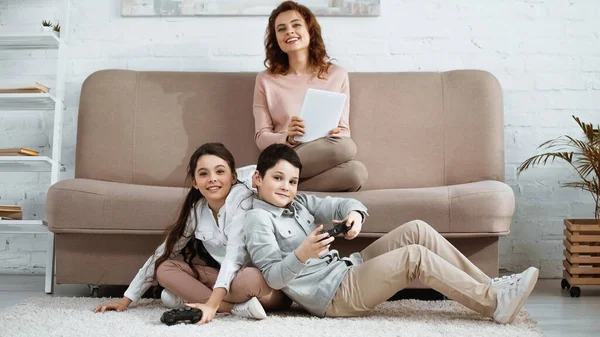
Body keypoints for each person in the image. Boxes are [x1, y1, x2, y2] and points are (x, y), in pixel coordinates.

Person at [243, 143, 539, 324]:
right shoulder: (258, 219)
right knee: (414, 257)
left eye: (292, 181)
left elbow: (344, 202)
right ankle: (494, 302)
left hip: (347, 268)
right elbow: (272, 277)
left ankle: (490, 286)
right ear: (258, 178)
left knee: (417, 230)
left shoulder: (300, 201)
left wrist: (355, 215)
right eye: (278, 178)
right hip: (332, 295)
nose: (286, 187)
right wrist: (301, 254)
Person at [93, 143, 291, 325]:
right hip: (227, 284)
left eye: (220, 171)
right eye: (203, 174)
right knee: (165, 267)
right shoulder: (198, 211)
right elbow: (164, 252)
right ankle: (234, 309)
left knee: (250, 277)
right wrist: (126, 300)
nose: (212, 179)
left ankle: (201, 301)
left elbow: (233, 257)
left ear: (232, 177)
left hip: (262, 285)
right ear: (195, 182)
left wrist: (211, 302)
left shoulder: (243, 201)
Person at [253, 1, 367, 192]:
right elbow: (261, 137)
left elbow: (344, 131)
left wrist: (336, 133)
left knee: (356, 171)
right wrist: (287, 137)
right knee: (346, 149)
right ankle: (277, 178)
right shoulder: (266, 79)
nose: (289, 31)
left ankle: (277, 188)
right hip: (286, 154)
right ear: (277, 39)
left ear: (309, 31)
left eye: (296, 25)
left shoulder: (336, 74)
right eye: (281, 29)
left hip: (326, 152)